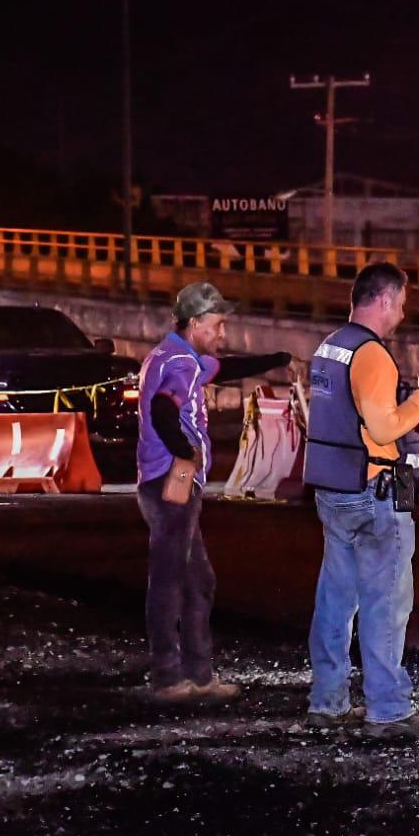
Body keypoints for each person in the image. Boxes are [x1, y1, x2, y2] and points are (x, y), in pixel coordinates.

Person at [303, 262, 419, 737]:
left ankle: (327, 700)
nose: (402, 314)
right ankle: (389, 709)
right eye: (401, 304)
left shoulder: (330, 348)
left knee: (336, 598)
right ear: (383, 299)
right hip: (372, 492)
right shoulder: (371, 354)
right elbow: (385, 427)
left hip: (333, 489)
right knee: (386, 600)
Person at [137, 281, 293, 703]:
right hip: (173, 482)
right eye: (217, 325)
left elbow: (226, 369)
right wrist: (184, 452)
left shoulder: (176, 354)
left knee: (196, 578)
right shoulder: (181, 364)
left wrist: (276, 360)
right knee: (172, 578)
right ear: (194, 324)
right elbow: (163, 408)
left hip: (168, 480)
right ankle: (169, 676)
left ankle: (197, 674)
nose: (222, 335)